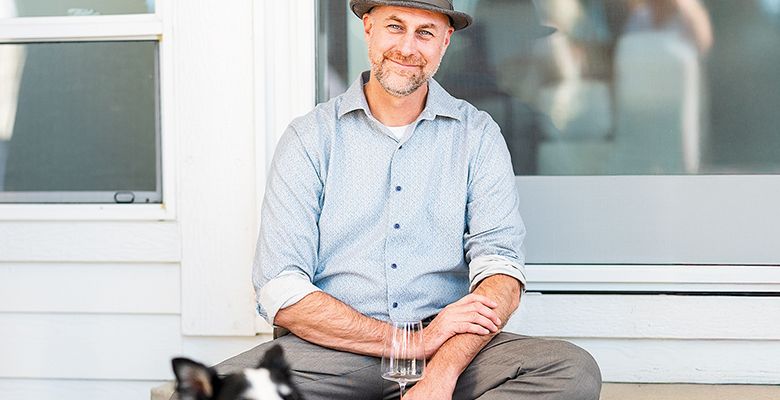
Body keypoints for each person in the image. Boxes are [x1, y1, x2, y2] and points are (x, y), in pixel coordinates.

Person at [213, 1, 601, 399]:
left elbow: (500, 271)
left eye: (425, 32)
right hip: (333, 351)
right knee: (208, 392)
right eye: (395, 27)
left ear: (445, 41)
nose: (408, 48)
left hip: (450, 347)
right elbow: (280, 288)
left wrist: (442, 372)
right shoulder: (309, 138)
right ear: (368, 28)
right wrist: (410, 342)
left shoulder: (477, 134)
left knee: (570, 370)